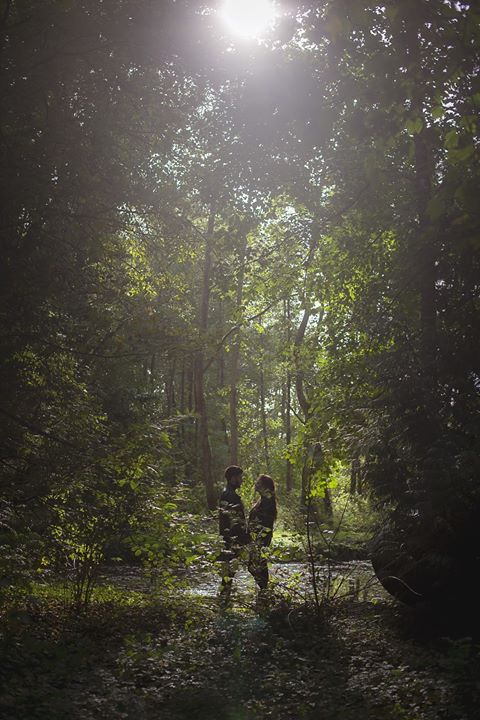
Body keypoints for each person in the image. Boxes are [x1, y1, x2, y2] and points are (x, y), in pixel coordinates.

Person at [218, 465, 250, 606]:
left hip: (231, 539)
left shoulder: (228, 494)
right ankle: (223, 602)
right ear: (233, 479)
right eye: (239, 477)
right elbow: (235, 522)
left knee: (229, 573)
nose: (241, 480)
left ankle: (224, 601)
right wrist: (244, 538)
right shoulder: (230, 495)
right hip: (233, 540)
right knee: (229, 572)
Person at [248, 474, 277, 590]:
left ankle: (264, 589)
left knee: (257, 564)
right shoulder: (263, 499)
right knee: (256, 564)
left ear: (265, 486)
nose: (256, 484)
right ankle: (263, 590)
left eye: (259, 483)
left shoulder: (268, 499)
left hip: (262, 537)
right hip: (257, 536)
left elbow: (264, 520)